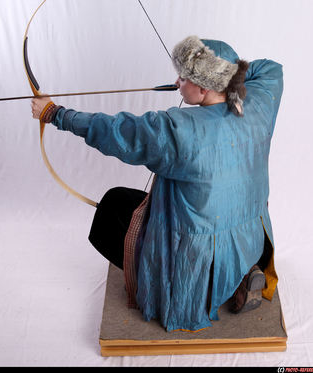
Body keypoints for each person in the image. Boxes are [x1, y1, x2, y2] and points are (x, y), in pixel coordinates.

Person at [31, 36, 283, 332]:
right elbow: (271, 68)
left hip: (195, 258)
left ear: (203, 87)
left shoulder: (179, 130)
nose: (177, 82)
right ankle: (241, 273)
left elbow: (115, 131)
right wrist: (226, 75)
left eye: (185, 77)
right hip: (246, 239)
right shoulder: (257, 105)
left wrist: (55, 114)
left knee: (112, 206)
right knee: (129, 199)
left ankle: (201, 287)